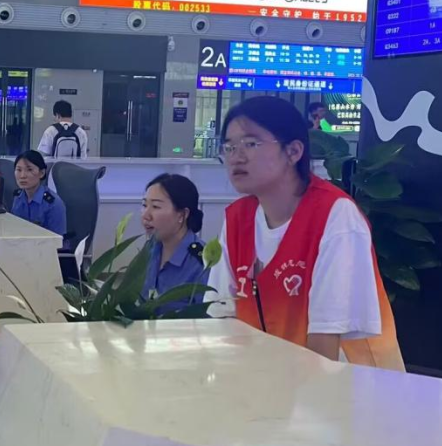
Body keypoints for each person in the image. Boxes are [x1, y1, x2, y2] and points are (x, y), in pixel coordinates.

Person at [207, 96, 404, 368]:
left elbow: (325, 341)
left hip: (349, 382)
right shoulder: (237, 219)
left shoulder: (335, 215)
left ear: (293, 151)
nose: (236, 157)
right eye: (229, 147)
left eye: (251, 144)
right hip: (271, 380)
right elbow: (221, 314)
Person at [141, 174, 208, 314]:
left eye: (155, 206)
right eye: (144, 205)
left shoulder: (203, 263)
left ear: (182, 215)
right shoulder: (149, 251)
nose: (146, 215)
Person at [10, 149, 67, 237]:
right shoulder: (18, 197)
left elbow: (58, 240)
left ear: (42, 173)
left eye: (29, 170)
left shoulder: (53, 204)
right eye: (19, 170)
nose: (22, 176)